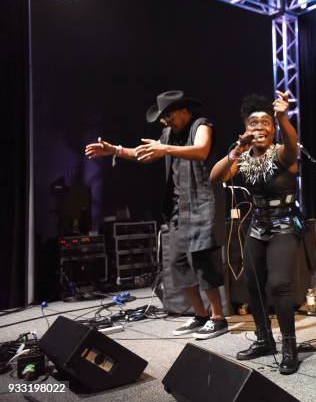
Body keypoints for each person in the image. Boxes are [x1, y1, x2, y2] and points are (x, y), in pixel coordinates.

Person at [85, 90, 228, 339]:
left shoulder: (201, 125)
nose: (164, 122)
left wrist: (166, 149)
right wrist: (115, 150)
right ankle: (200, 315)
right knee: (177, 265)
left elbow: (201, 150)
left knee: (203, 263)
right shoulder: (167, 135)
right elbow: (144, 153)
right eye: (162, 118)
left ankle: (218, 318)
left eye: (167, 116)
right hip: (176, 209)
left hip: (200, 205)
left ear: (184, 110)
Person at [210, 91, 302, 375]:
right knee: (252, 285)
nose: (260, 127)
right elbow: (216, 177)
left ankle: (289, 345)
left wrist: (283, 116)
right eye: (253, 123)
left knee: (278, 285)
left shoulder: (283, 153)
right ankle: (264, 339)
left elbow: (292, 147)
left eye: (265, 122)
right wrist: (237, 149)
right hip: (258, 225)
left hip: (284, 225)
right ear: (245, 129)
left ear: (272, 129)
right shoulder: (244, 157)